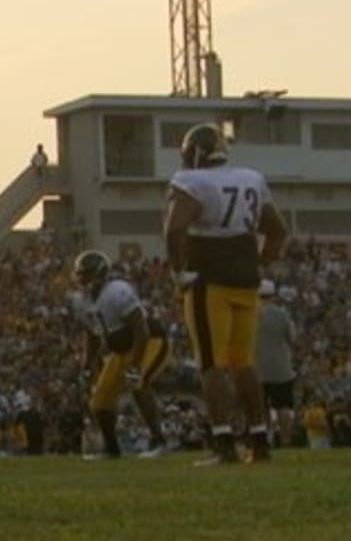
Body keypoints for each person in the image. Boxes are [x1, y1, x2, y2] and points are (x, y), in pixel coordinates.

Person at [164, 123, 289, 465]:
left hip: (211, 281)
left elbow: (174, 229)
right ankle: (260, 442)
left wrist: (179, 273)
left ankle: (224, 445)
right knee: (244, 364)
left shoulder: (191, 182)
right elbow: (277, 232)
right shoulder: (251, 178)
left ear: (194, 154)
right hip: (246, 282)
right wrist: (258, 266)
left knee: (212, 364)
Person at [70, 250, 171, 460]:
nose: (82, 279)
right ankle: (112, 448)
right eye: (80, 274)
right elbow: (93, 335)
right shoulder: (82, 301)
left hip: (150, 342)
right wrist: (87, 365)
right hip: (121, 350)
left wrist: (134, 365)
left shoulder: (116, 291)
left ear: (98, 274)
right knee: (99, 401)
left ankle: (159, 441)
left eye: (86, 274)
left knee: (138, 383)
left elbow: (141, 330)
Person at [255, 279, 297, 448]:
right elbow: (292, 337)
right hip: (281, 368)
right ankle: (286, 439)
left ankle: (268, 439)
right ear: (273, 295)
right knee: (283, 406)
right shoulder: (282, 314)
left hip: (258, 368)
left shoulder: (252, 314)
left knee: (262, 407)